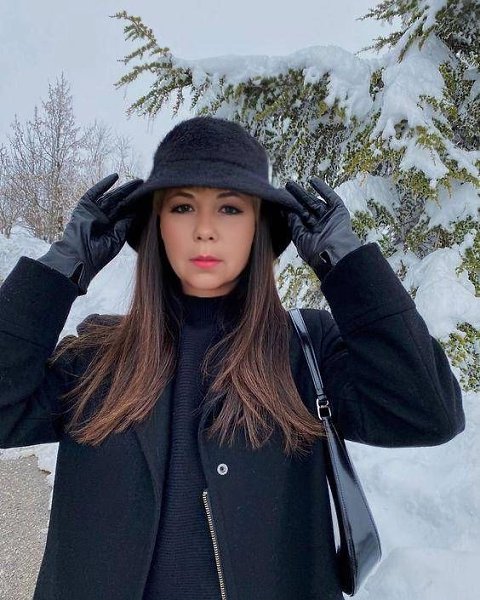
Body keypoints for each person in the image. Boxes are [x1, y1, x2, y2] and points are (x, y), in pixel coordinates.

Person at [0, 116, 465, 600]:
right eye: (183, 207)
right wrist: (61, 266)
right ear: (157, 227)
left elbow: (428, 412)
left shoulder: (306, 352)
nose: (205, 230)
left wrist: (346, 264)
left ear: (258, 229)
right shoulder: (97, 358)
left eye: (229, 208)